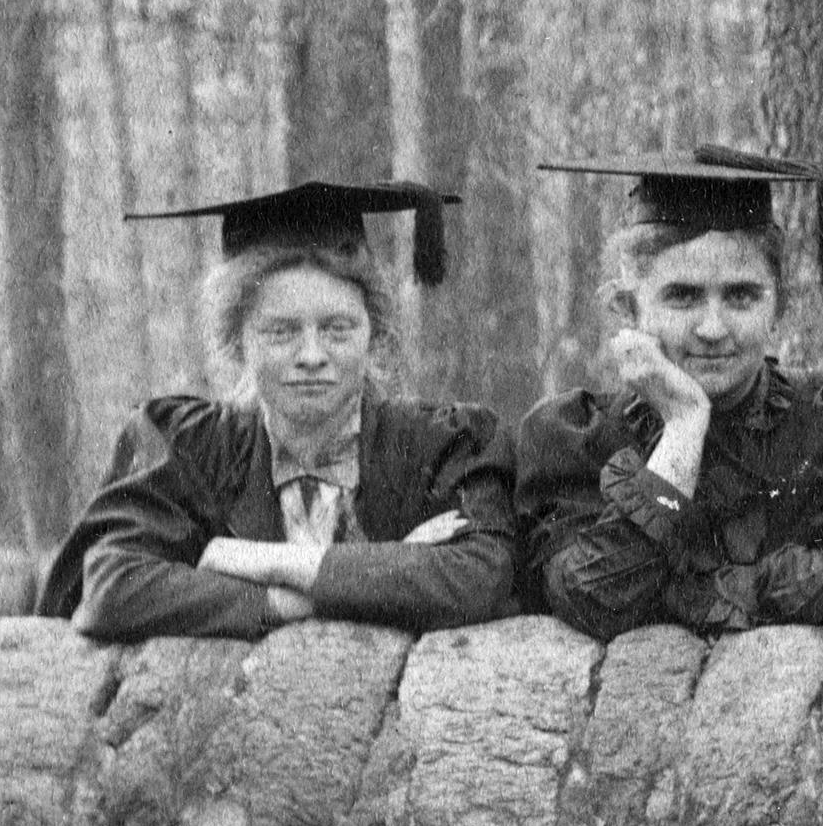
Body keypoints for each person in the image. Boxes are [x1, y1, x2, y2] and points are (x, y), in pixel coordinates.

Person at [38, 179, 515, 640]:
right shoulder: (187, 445)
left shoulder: (440, 444)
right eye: (281, 332)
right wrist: (310, 599)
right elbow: (111, 587)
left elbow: (480, 576)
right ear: (238, 340)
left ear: (374, 332)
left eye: (337, 329)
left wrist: (253, 560)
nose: (311, 356)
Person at [517, 146, 823, 636]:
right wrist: (682, 426)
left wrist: (684, 593)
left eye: (741, 296)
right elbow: (599, 597)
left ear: (778, 304)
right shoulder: (578, 439)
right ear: (628, 308)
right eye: (682, 296)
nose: (713, 327)